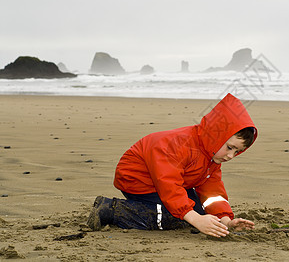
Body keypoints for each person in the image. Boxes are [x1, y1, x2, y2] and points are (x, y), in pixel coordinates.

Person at [87, 93, 257, 237]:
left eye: (237, 152)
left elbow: (213, 193)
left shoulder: (212, 157)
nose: (230, 156)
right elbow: (168, 184)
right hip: (138, 179)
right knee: (175, 217)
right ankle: (110, 209)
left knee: (201, 212)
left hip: (172, 181)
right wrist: (194, 218)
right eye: (230, 148)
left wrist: (226, 220)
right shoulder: (180, 145)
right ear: (216, 135)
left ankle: (186, 214)